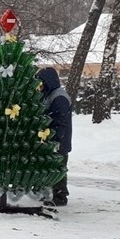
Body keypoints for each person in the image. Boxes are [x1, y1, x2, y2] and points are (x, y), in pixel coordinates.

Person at [36, 67, 72, 206]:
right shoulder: (49, 94)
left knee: (58, 167)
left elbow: (60, 121)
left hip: (59, 140)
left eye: (42, 82)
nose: (40, 86)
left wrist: (55, 137)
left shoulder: (59, 97)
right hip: (51, 138)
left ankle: (60, 196)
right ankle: (50, 193)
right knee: (51, 167)